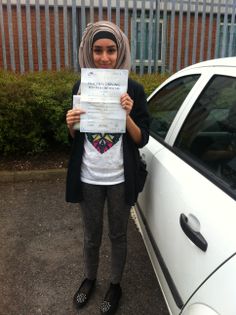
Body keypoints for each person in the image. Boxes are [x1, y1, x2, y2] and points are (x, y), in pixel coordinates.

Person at [65, 20, 150, 315]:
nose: (104, 57)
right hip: (89, 175)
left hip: (119, 177)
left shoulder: (134, 89)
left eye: (111, 50)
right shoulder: (82, 84)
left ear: (120, 51)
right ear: (89, 52)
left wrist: (126, 114)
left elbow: (141, 139)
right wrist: (71, 125)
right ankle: (89, 279)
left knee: (118, 234)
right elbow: (77, 137)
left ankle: (115, 284)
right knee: (91, 235)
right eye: (98, 50)